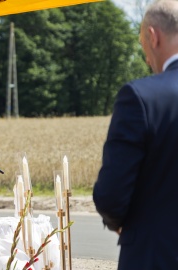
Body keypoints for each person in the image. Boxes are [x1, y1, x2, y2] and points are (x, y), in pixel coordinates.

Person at [93, 1, 178, 269]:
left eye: (143, 46)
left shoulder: (140, 97)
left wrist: (117, 221)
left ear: (153, 37)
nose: (146, 59)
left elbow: (110, 195)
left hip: (155, 256)